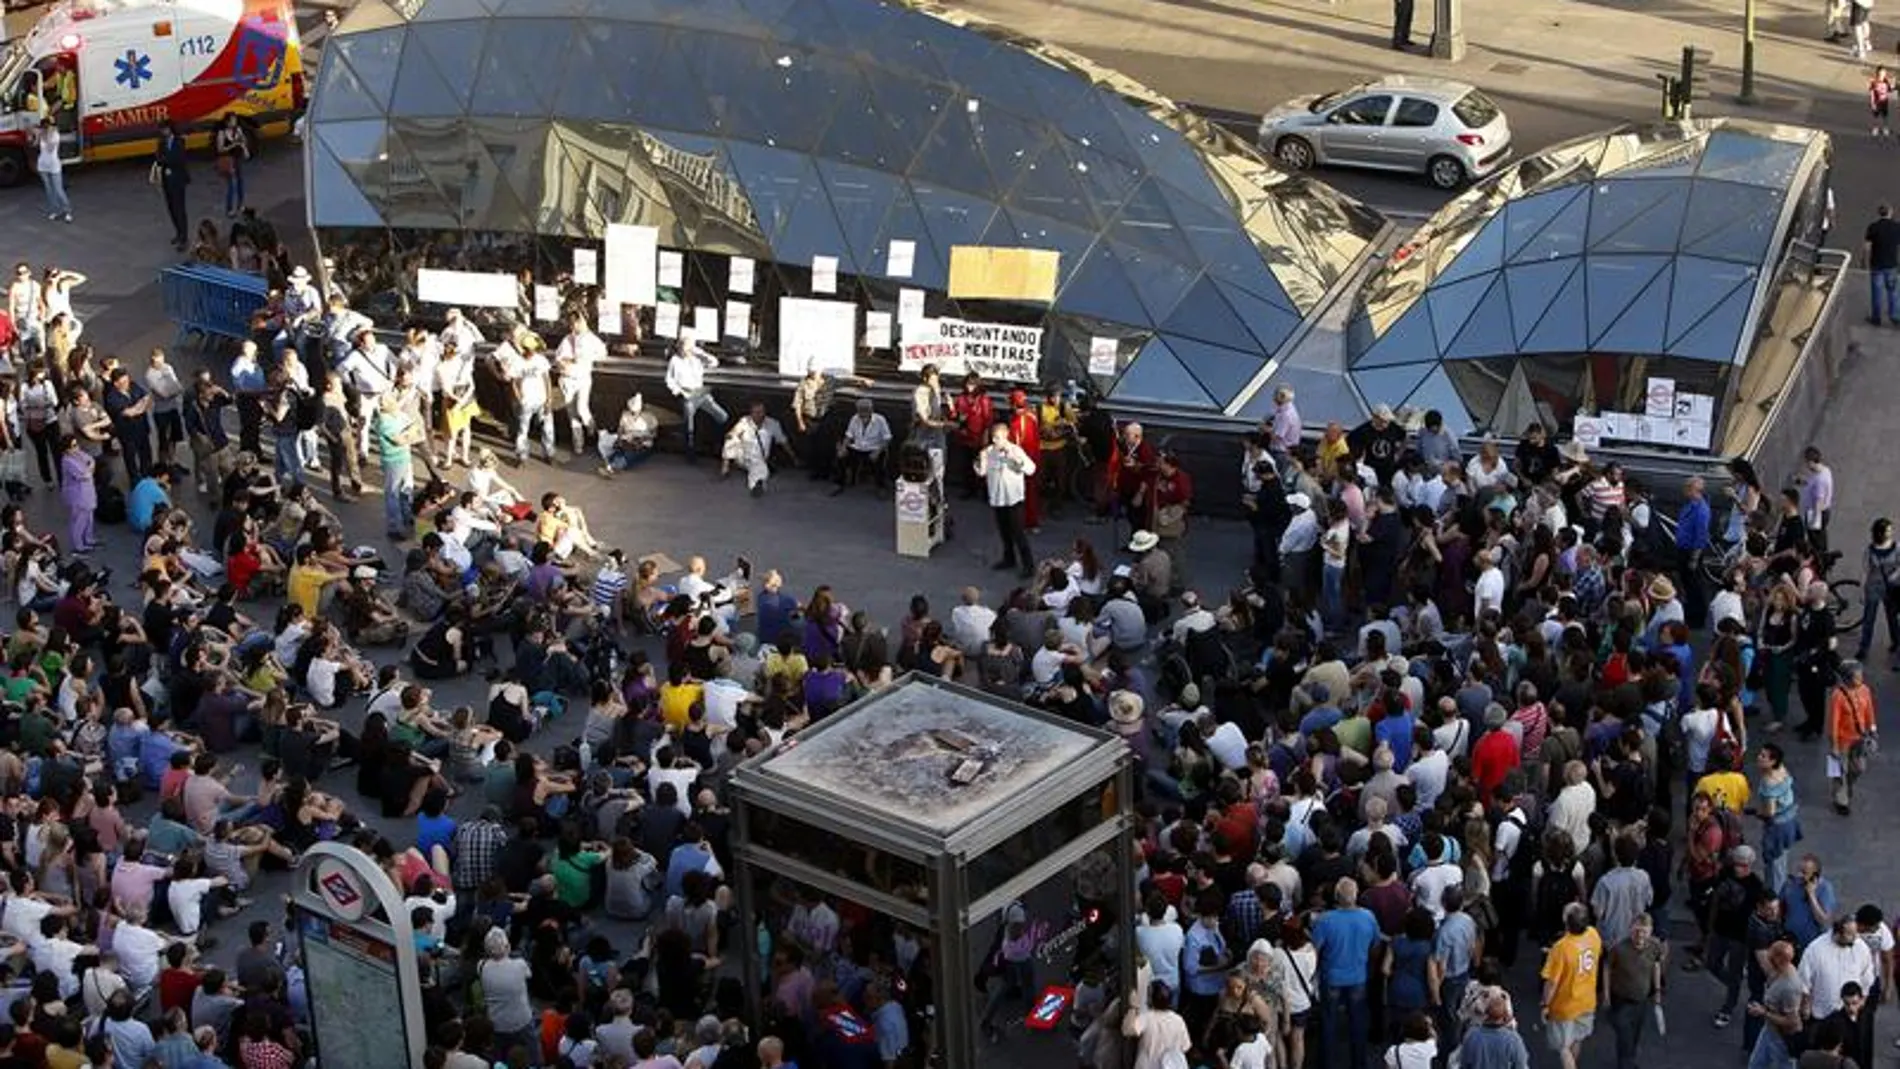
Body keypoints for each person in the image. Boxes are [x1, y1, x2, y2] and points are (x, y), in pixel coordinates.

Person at [1540, 901, 1601, 1069]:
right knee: (1577, 1038)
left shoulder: (1561, 947)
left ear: (1566, 921)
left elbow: (1551, 982)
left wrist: (1545, 1004)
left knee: (1563, 1047)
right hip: (1587, 1000)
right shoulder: (1593, 934)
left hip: (1564, 1005)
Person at [976, 421, 1036, 578]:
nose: (994, 441)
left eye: (997, 438)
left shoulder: (1015, 450)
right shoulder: (989, 452)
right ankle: (1009, 558)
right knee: (1004, 532)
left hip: (1013, 500)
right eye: (993, 437)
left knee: (1018, 533)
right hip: (997, 499)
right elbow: (982, 472)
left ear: (1005, 436)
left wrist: (1016, 461)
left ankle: (1028, 565)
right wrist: (980, 460)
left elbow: (1031, 469)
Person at [1603, 913, 1664, 1069]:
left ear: (1650, 931)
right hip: (1621, 1001)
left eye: (1644, 931)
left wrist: (1657, 990)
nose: (1640, 936)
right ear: (1630, 929)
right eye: (1637, 931)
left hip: (1641, 1001)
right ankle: (1626, 1064)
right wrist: (1606, 995)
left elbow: (1656, 966)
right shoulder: (1618, 949)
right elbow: (1607, 969)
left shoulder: (1655, 946)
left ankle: (1628, 1061)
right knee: (1625, 1038)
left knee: (1635, 1035)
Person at [665, 328, 725, 461]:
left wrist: (700, 354)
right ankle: (690, 453)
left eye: (689, 347)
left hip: (701, 392)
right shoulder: (675, 360)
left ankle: (716, 444)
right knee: (689, 426)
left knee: (722, 416)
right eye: (684, 347)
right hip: (687, 394)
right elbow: (669, 380)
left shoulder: (697, 358)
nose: (685, 350)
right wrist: (679, 392)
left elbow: (714, 362)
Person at [1826, 660, 1877, 815]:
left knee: (1859, 767)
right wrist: (1834, 745)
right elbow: (1833, 722)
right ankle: (1841, 799)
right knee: (1840, 770)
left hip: (1859, 737)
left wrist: (1872, 729)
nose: (1861, 679)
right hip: (1842, 739)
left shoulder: (1865, 690)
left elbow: (1869, 711)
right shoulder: (1838, 696)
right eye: (1857, 677)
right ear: (1848, 678)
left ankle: (1848, 784)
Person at [833, 398, 892, 494]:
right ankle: (839, 483)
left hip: (874, 448)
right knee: (841, 457)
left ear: (871, 410)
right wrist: (843, 448)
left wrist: (877, 451)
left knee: (879, 461)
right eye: (860, 410)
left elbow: (887, 438)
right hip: (858, 447)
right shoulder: (854, 418)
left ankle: (881, 487)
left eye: (865, 410)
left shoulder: (880, 420)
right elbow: (849, 435)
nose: (862, 413)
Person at [155, 121, 191, 250]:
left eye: (165, 129)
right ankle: (178, 232)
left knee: (180, 208)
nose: (163, 132)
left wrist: (166, 162)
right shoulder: (161, 143)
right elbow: (158, 159)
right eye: (161, 130)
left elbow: (179, 158)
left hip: (178, 179)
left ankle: (184, 237)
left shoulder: (179, 141)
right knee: (171, 208)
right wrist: (165, 161)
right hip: (167, 180)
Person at [35, 118, 69, 224]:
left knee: (58, 190)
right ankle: (55, 210)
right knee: (49, 191)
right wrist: (37, 136)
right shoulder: (41, 135)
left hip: (54, 165)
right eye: (44, 127)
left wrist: (45, 135)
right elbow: (34, 145)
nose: (45, 129)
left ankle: (67, 211)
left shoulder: (55, 135)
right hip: (42, 165)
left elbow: (50, 149)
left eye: (47, 127)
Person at [215, 113, 249, 217]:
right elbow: (220, 149)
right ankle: (230, 208)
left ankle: (241, 205)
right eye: (232, 120)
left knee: (240, 182)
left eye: (235, 120)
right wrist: (232, 145)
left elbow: (243, 141)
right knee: (232, 185)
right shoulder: (222, 133)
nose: (234, 122)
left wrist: (244, 148)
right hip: (228, 159)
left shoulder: (238, 130)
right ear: (227, 122)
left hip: (238, 158)